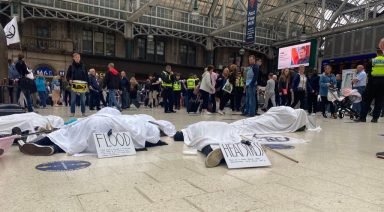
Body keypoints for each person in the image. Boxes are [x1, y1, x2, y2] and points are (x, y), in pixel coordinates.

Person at [174, 106, 317, 168]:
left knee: (230, 128)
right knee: (229, 129)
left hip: (261, 120)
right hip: (261, 121)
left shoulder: (292, 113)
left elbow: (273, 112)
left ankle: (211, 147)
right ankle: (210, 147)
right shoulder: (293, 114)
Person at [17, 108, 175, 156]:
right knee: (81, 142)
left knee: (67, 132)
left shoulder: (139, 118)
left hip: (96, 120)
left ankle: (32, 143)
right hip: (105, 124)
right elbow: (152, 140)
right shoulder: (149, 125)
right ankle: (55, 149)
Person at [356, 39, 384, 123]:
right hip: (383, 83)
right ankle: (375, 118)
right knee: (379, 101)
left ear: (377, 53)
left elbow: (367, 70)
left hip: (372, 83)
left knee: (366, 100)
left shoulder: (373, 60)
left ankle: (362, 118)